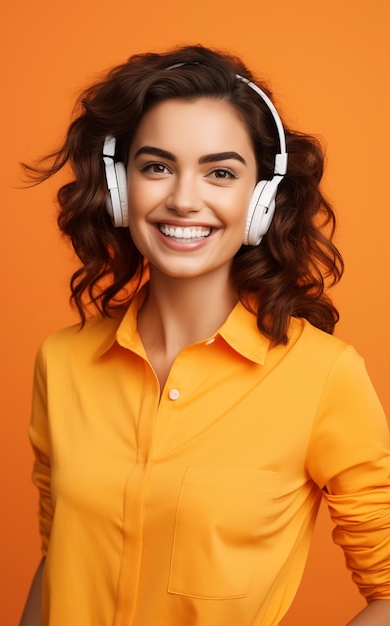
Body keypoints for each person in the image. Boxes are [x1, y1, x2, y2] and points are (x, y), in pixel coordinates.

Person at [20, 45, 390, 626]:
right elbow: (59, 559)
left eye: (220, 172)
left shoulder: (323, 377)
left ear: (260, 200)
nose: (184, 199)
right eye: (156, 166)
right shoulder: (61, 361)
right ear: (122, 188)